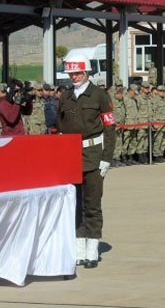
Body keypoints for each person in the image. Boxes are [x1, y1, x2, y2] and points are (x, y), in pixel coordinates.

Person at [57, 54, 116, 269]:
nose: (73, 77)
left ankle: (92, 249)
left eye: (77, 73)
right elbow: (60, 127)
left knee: (92, 204)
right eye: (71, 74)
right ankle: (78, 247)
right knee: (74, 204)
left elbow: (110, 128)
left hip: (93, 156)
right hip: (71, 157)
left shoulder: (99, 96)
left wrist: (106, 158)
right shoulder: (65, 97)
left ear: (87, 73)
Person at [135, 81, 152, 164]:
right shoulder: (138, 98)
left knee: (145, 140)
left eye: (148, 88)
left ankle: (144, 154)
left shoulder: (149, 98)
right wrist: (137, 122)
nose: (148, 89)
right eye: (146, 88)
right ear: (141, 88)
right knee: (140, 139)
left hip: (147, 122)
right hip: (141, 122)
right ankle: (139, 155)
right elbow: (136, 110)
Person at [151, 85, 165, 163]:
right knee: (158, 139)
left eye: (163, 91)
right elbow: (152, 112)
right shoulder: (155, 100)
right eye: (160, 91)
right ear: (157, 92)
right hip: (158, 123)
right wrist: (154, 122)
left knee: (164, 140)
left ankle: (161, 154)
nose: (162, 92)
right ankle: (156, 155)